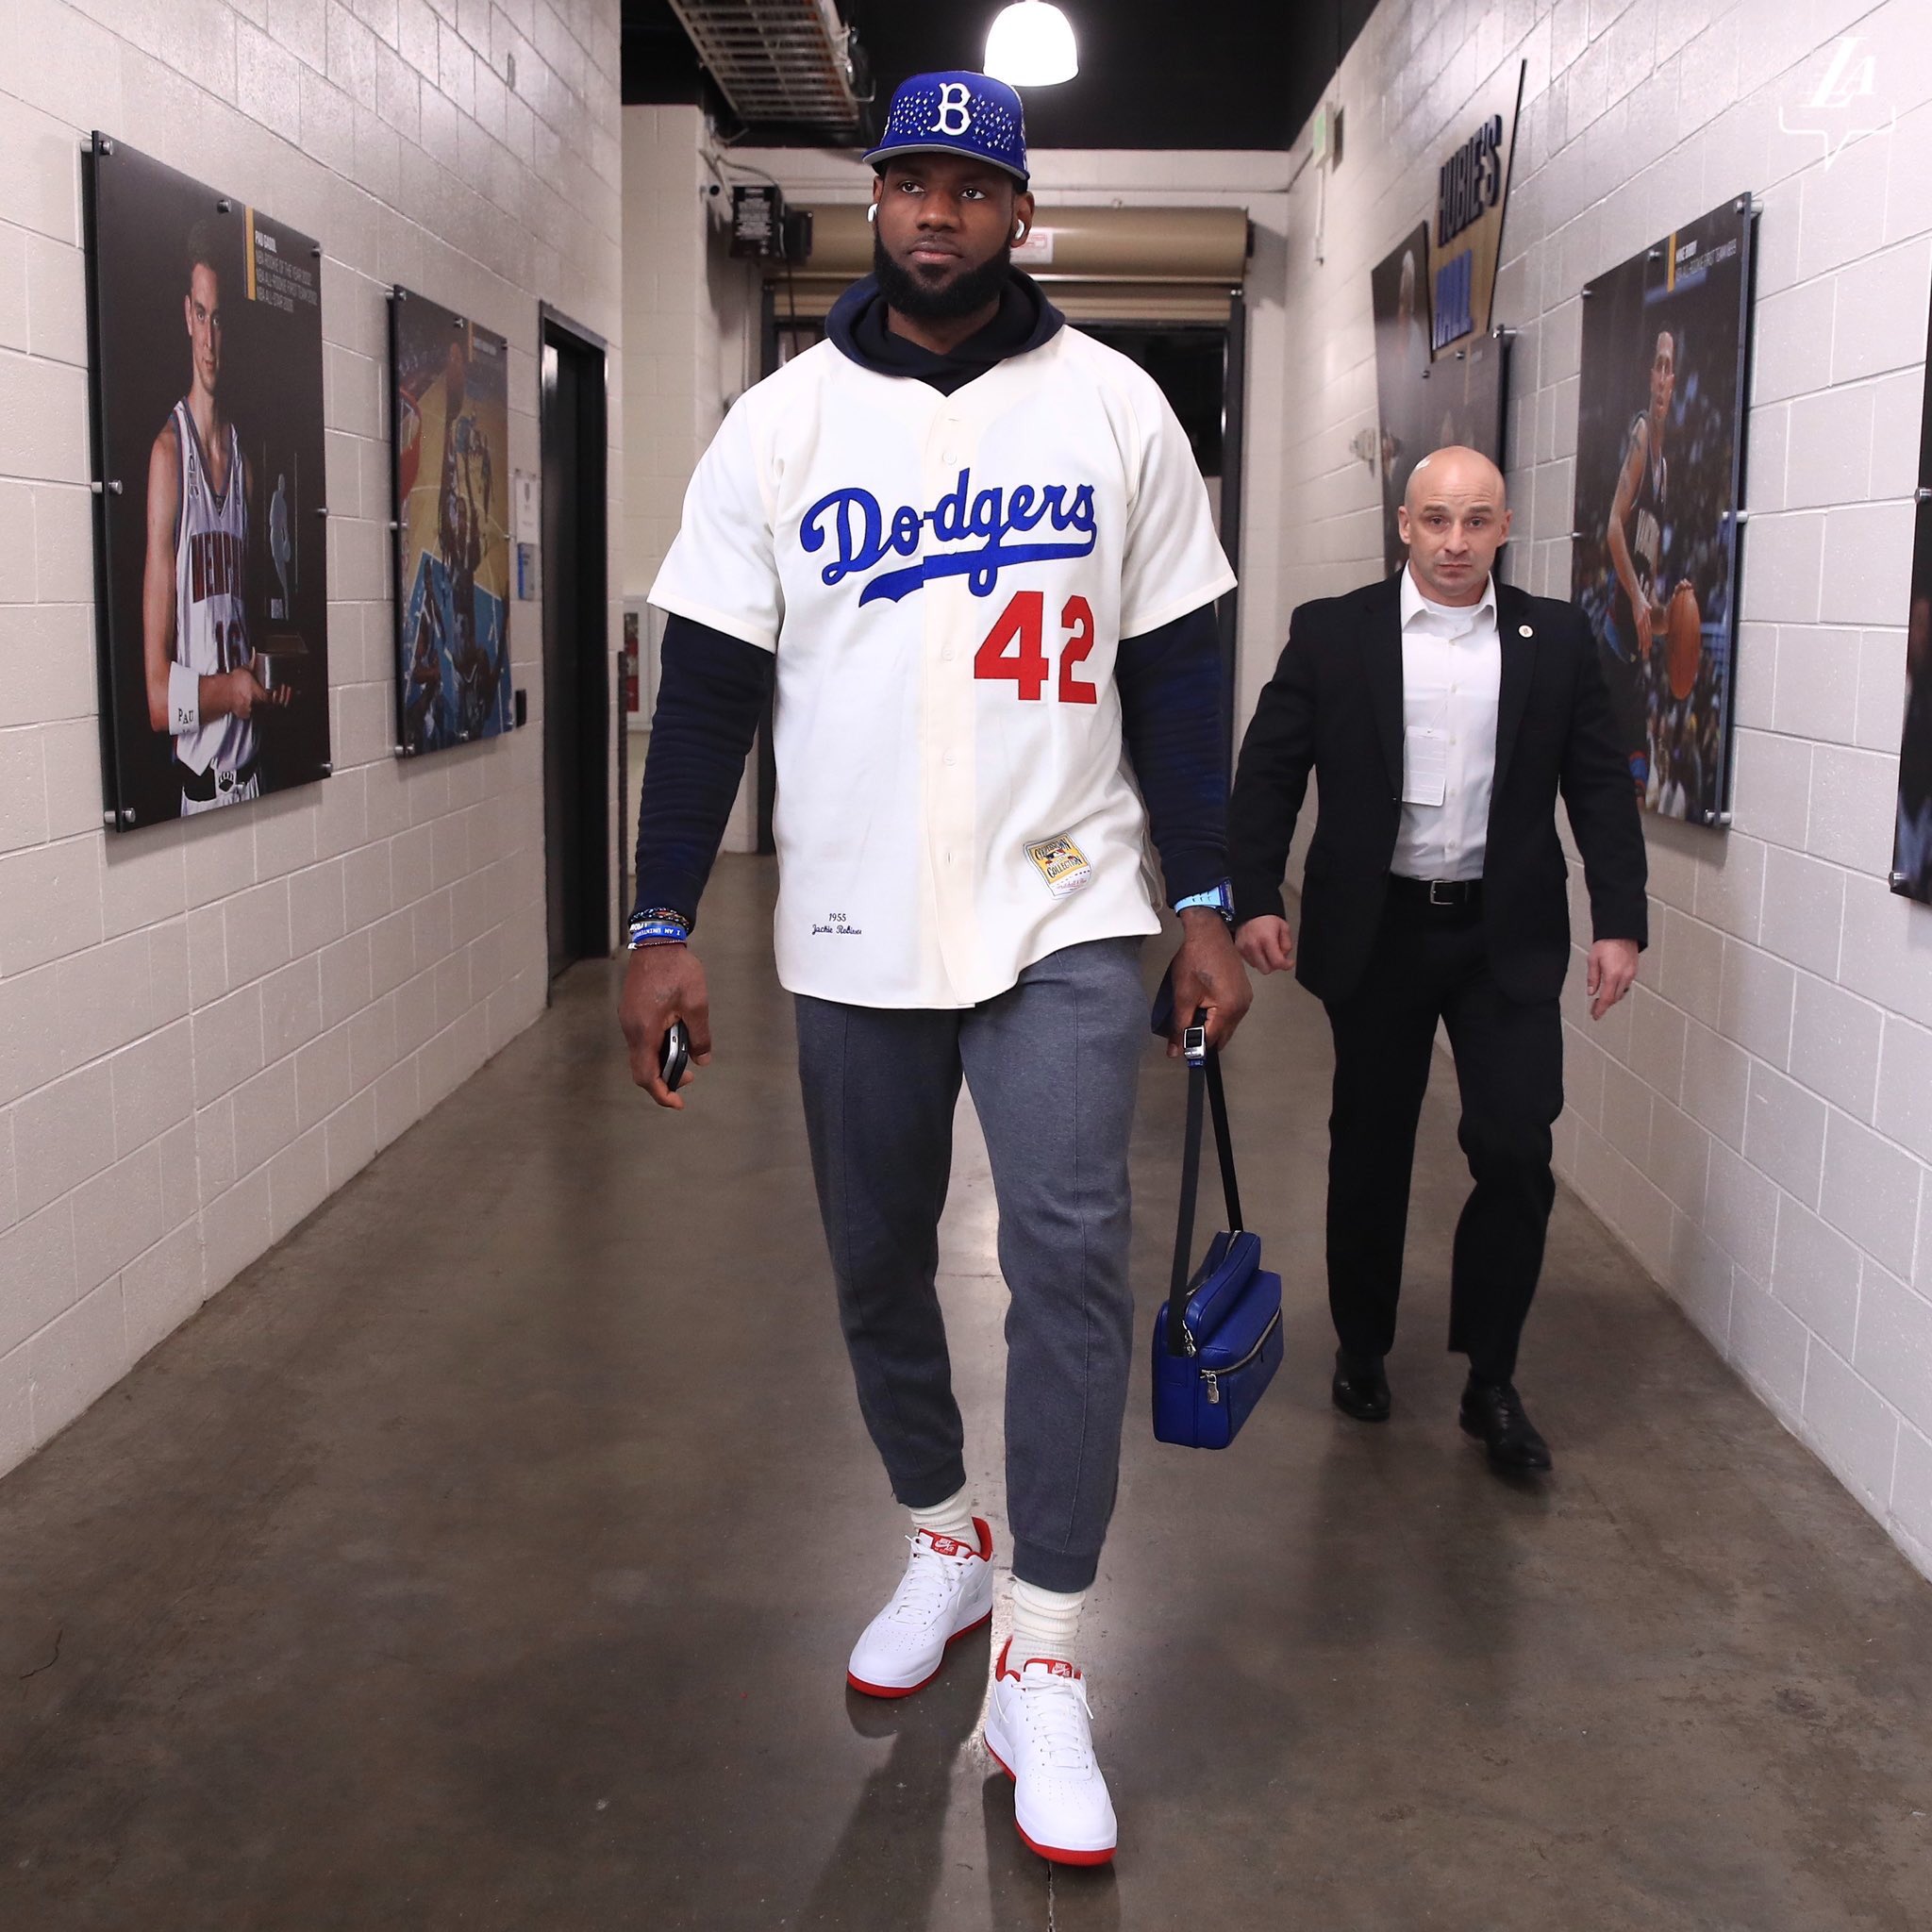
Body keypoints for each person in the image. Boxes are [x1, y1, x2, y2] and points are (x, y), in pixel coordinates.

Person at [618, 72, 1249, 1866]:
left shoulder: (1118, 409)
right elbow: (711, 691)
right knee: (877, 1257)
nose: (939, 212)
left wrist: (1203, 894)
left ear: (1018, 213)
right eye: (912, 179)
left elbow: (1181, 681)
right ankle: (940, 1531)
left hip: (1065, 907)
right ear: (872, 202)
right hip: (851, 920)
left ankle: (1043, 1655)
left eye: (975, 184)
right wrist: (659, 923)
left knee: (1064, 1256)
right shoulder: (778, 424)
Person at [1228, 447, 1646, 1473]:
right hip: (1378, 929)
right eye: (1434, 521)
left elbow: (1597, 783)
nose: (1454, 542)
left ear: (1503, 527)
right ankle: (1362, 1346)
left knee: (1513, 1145)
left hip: (1500, 933)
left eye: (1475, 521)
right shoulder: (1334, 633)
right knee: (1369, 1142)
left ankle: (1489, 1378)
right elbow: (1269, 770)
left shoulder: (1552, 639)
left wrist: (1617, 919)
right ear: (1402, 526)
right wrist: (1249, 896)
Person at [142, 219, 287, 816]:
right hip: (201, 795)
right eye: (200, 315)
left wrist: (268, 672)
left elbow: (245, 631)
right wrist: (231, 692)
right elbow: (155, 699)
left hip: (255, 778)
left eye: (219, 319)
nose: (209, 340)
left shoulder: (247, 465)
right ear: (185, 315)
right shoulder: (168, 459)